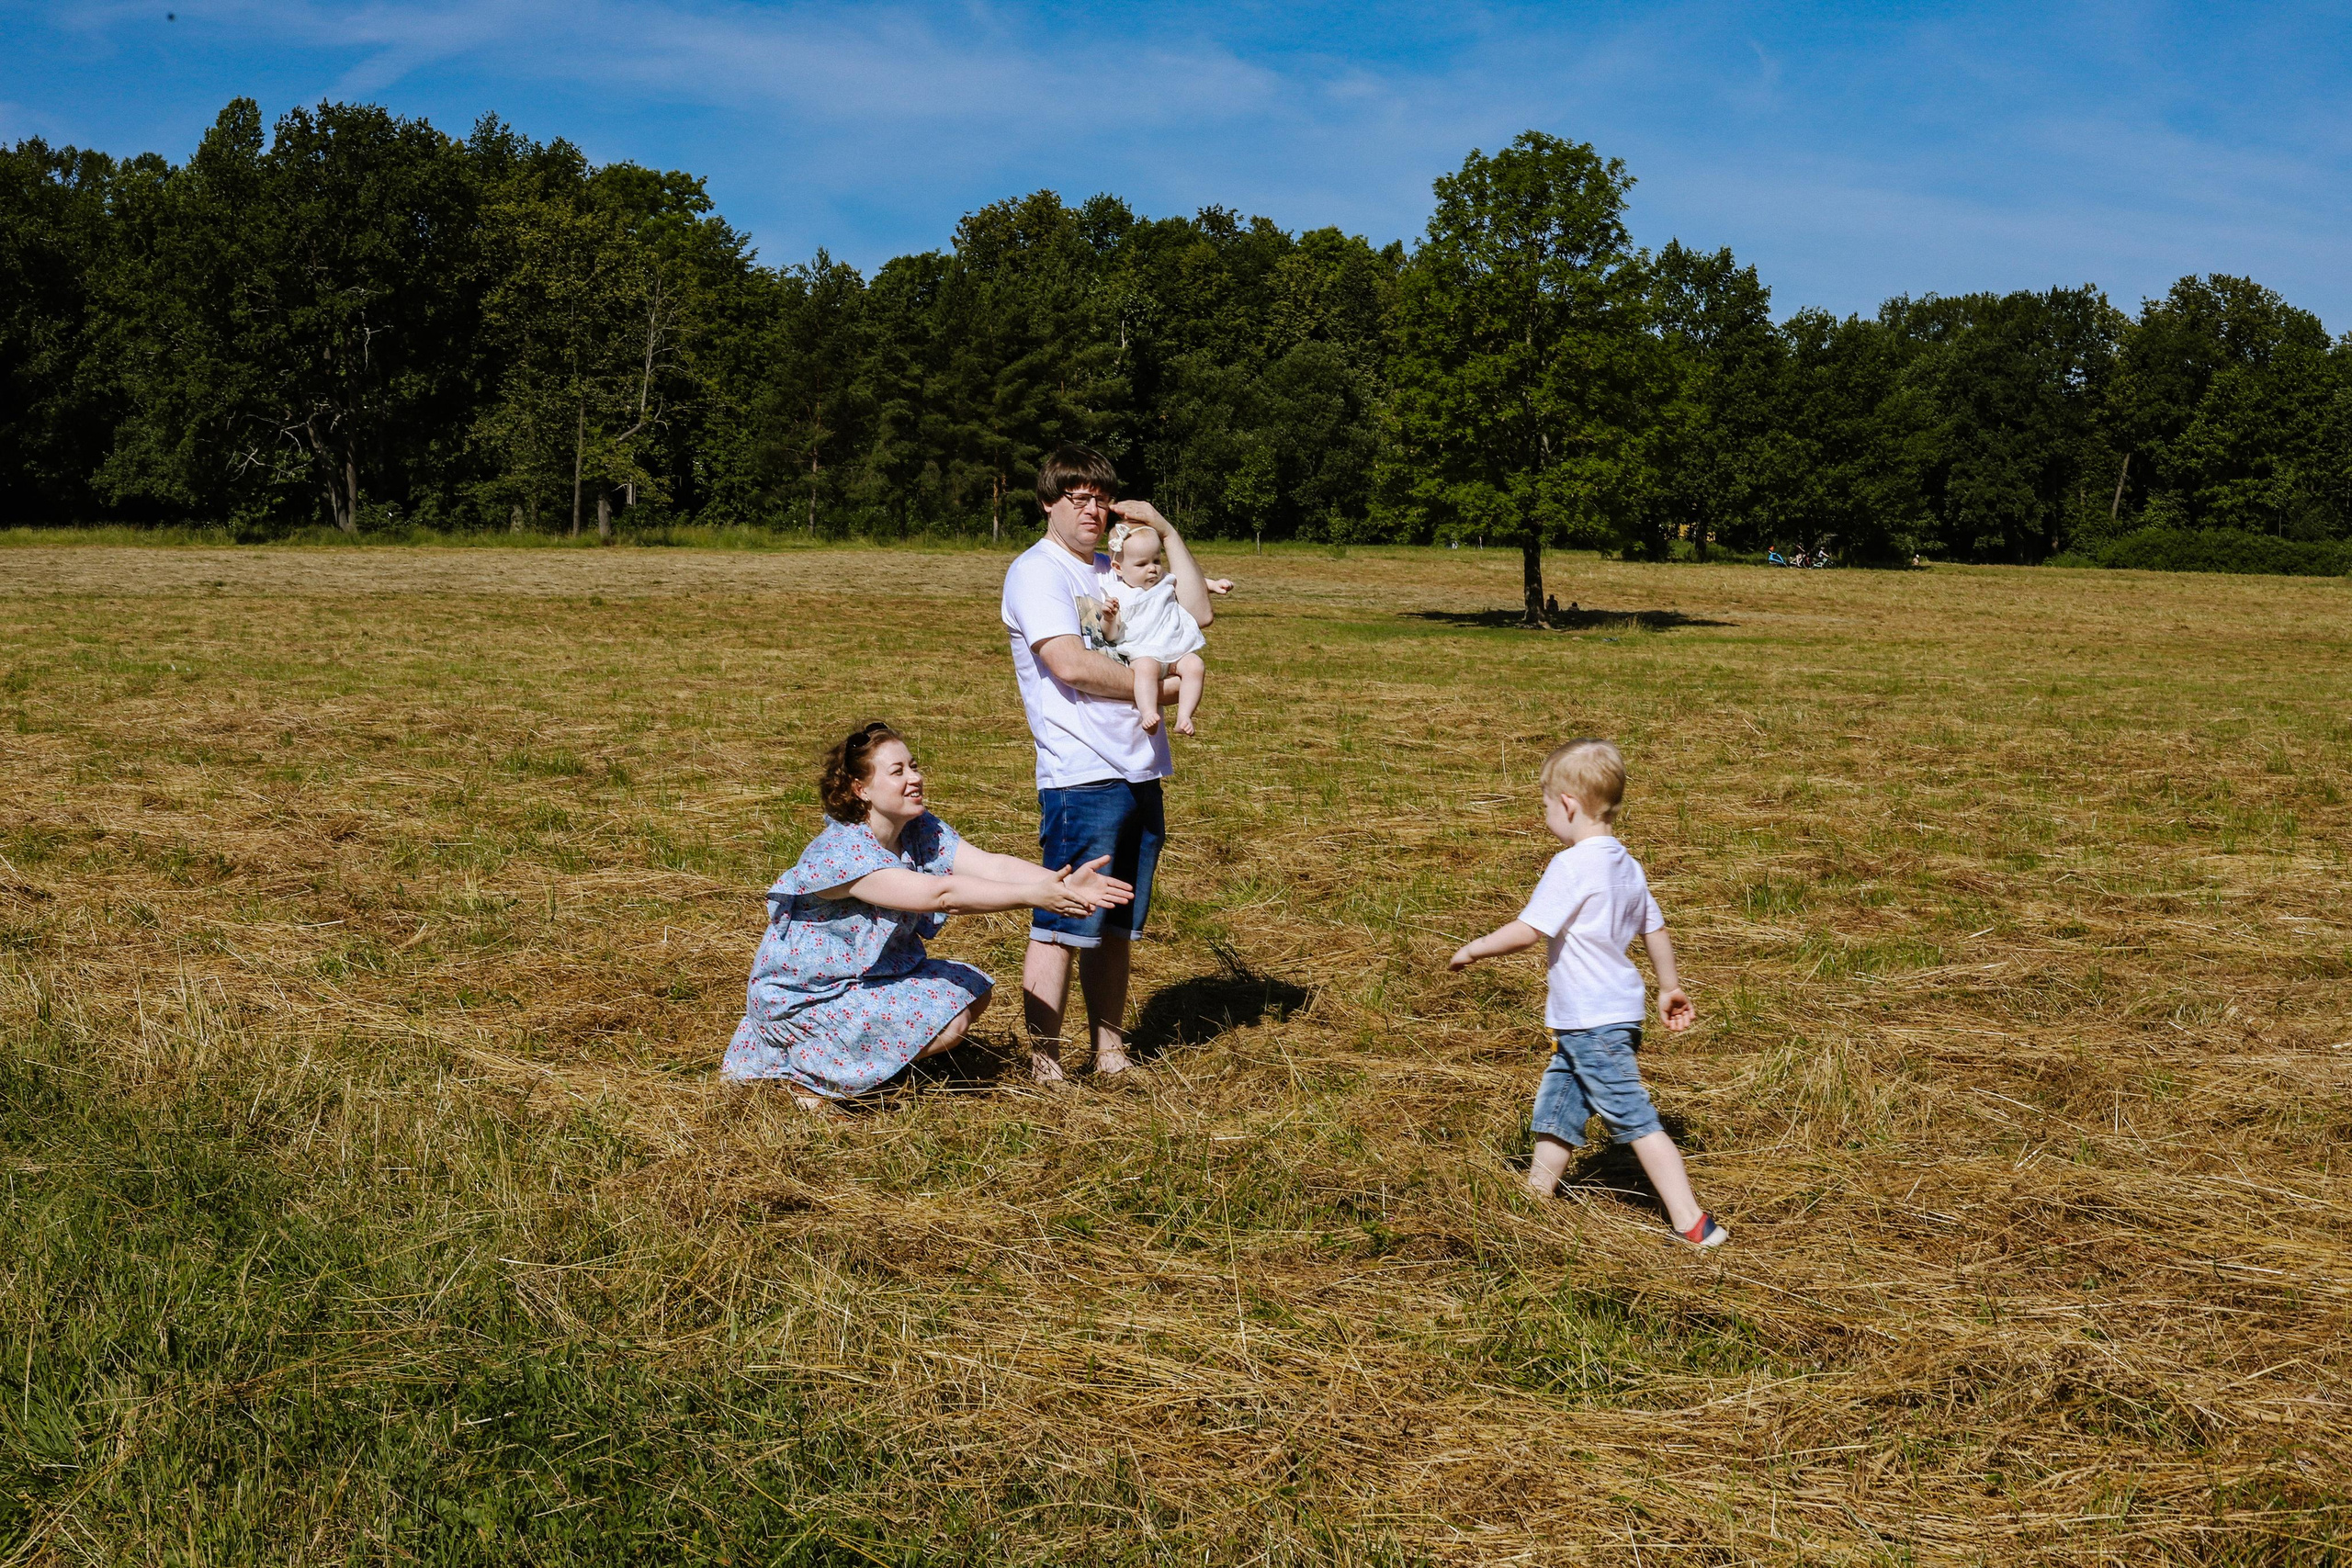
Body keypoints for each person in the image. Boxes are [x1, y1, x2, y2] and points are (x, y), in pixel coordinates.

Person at [721, 722, 1132, 1106]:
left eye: (913, 766)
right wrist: (1035, 897)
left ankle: (864, 1067)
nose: (914, 778)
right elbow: (942, 894)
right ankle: (810, 1074)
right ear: (860, 789)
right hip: (807, 998)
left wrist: (1062, 883)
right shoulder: (841, 853)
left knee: (969, 987)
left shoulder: (917, 830)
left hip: (866, 979)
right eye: (897, 771)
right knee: (950, 1023)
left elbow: (991, 865)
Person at [1446, 738, 1728, 1249]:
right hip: (1607, 1016)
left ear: (1568, 805)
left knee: (1635, 1118)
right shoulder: (1627, 864)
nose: (1546, 813)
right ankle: (1536, 1190)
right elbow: (1655, 929)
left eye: (1546, 804)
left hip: (1592, 1021)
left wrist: (1475, 948)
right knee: (1560, 1104)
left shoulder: (1571, 865)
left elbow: (1530, 929)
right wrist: (1670, 986)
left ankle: (1691, 1220)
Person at [1000, 444, 1221, 1083]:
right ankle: (1046, 1061)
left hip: (1139, 767)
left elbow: (1198, 612)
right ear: (1048, 503)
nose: (1092, 507)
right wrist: (1161, 689)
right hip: (1080, 771)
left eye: (1101, 496)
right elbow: (1069, 664)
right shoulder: (1038, 573)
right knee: (1061, 918)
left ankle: (1111, 1051)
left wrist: (1168, 528)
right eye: (1077, 497)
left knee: (1118, 921)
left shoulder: (1113, 568)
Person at [1099, 518, 1210, 736]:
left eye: (1157, 561)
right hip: (1145, 651)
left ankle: (1185, 715)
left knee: (1195, 665)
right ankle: (1148, 712)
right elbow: (1110, 635)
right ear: (1118, 568)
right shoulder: (1118, 594)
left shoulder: (1165, 581)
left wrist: (1213, 585)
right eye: (1142, 564)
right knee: (1145, 670)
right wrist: (1108, 618)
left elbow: (1193, 584)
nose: (1152, 569)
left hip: (1175, 649)